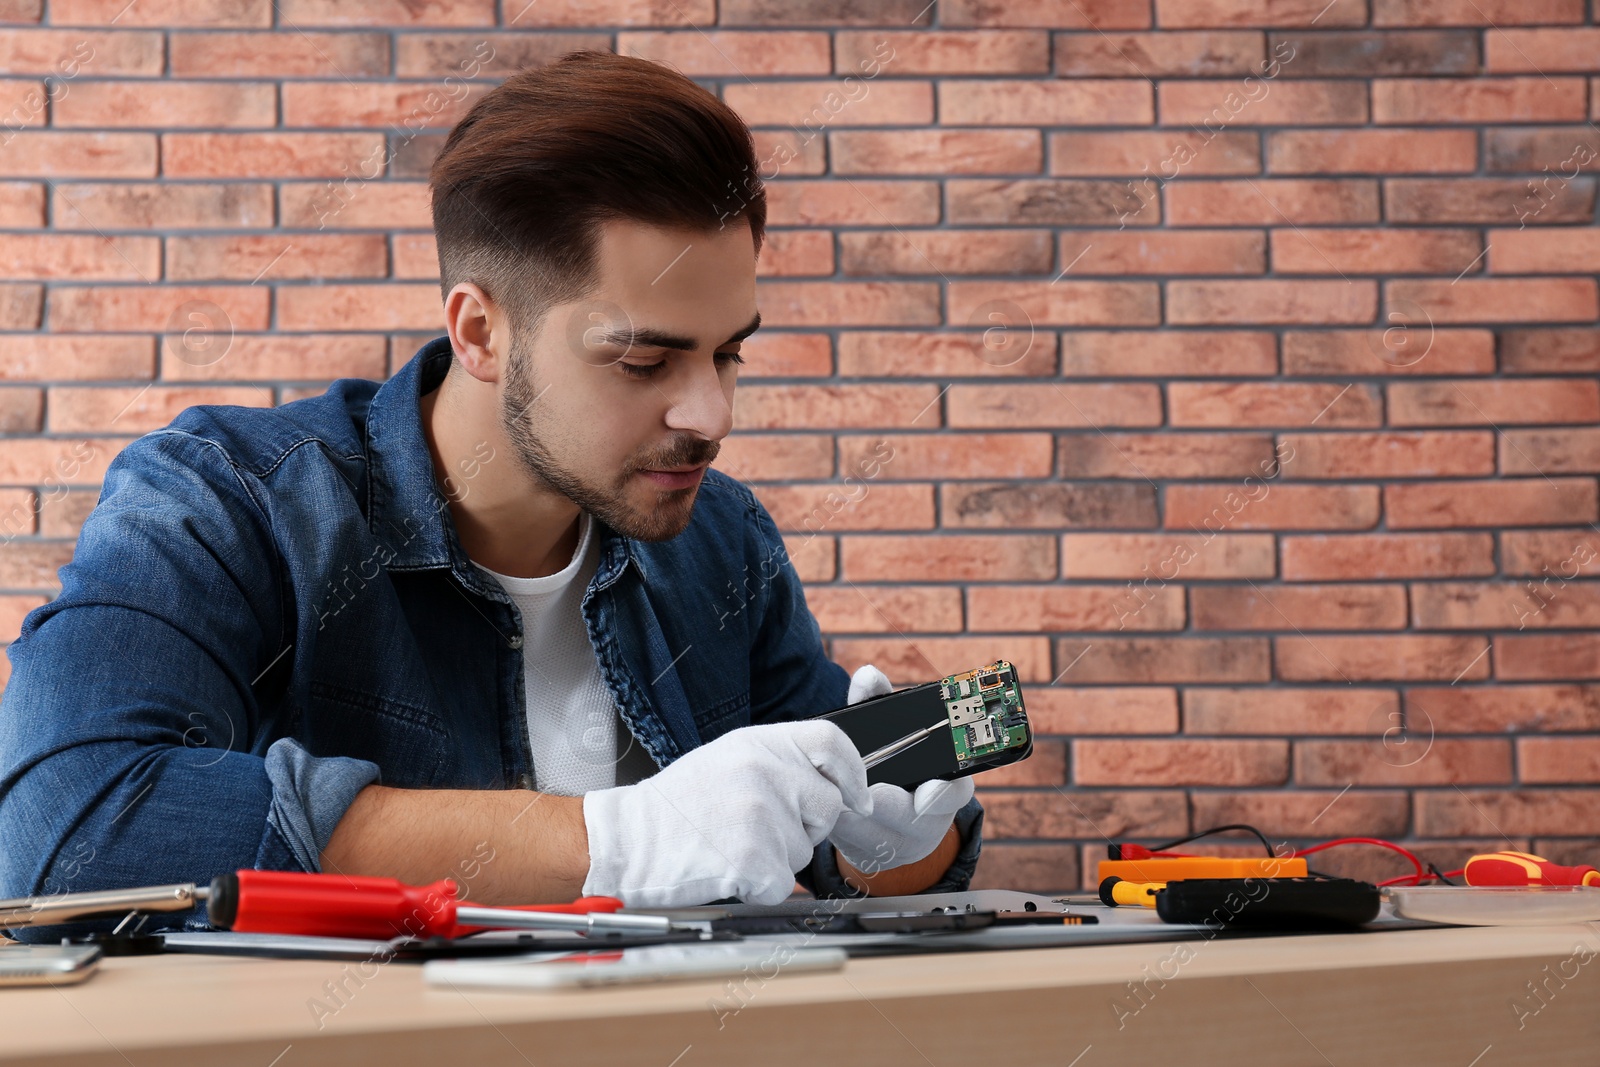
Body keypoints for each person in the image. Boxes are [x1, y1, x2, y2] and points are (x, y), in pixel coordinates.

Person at [0, 50, 982, 936]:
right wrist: (612, 838)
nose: (711, 412)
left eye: (729, 353)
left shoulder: (721, 540)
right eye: (645, 359)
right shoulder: (225, 502)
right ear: (479, 332)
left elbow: (841, 858)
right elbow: (71, 828)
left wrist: (890, 845)